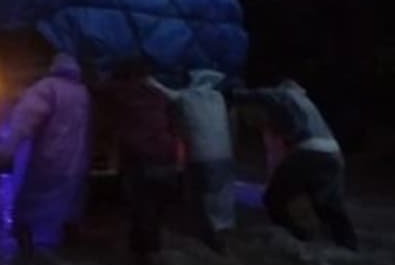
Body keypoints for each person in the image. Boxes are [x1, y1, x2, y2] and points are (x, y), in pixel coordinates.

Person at [0, 53, 91, 256]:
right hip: (76, 162)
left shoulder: (46, 88)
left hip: (48, 160)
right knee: (70, 204)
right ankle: (70, 249)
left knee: (29, 205)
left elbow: (23, 125)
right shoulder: (82, 92)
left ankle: (26, 255)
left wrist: (4, 153)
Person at [236, 79, 358, 251]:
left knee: (273, 200)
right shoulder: (307, 105)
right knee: (328, 206)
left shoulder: (285, 95)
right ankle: (349, 246)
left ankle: (300, 240)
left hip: (310, 152)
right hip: (334, 154)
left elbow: (264, 96)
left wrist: (234, 93)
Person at [98, 59, 180, 265]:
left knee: (142, 209)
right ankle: (148, 256)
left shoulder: (121, 93)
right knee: (153, 210)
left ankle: (146, 261)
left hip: (142, 160)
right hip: (167, 158)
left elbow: (99, 91)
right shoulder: (158, 95)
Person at [148, 69, 237, 253]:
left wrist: (148, 79)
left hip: (201, 154)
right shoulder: (217, 98)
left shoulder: (189, 97)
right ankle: (224, 229)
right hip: (225, 153)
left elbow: (165, 92)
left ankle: (211, 237)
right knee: (220, 194)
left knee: (201, 195)